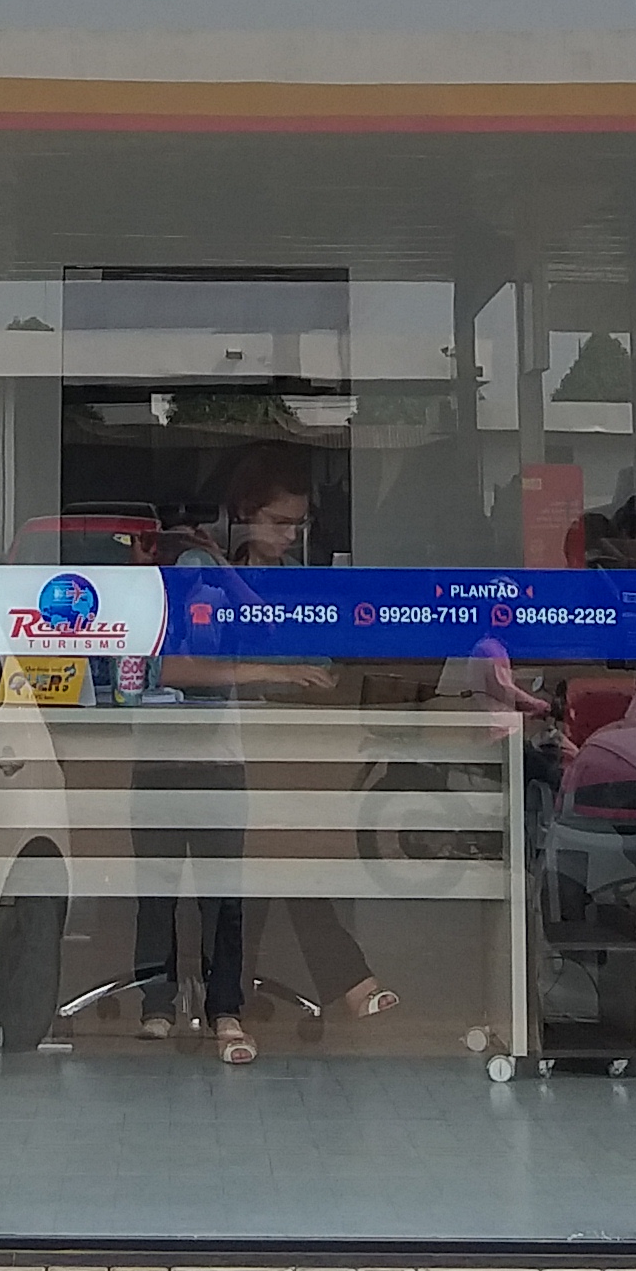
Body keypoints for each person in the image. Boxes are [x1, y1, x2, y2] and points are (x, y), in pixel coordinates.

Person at [133, 443, 392, 1064]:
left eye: (299, 524)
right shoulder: (198, 568)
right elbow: (183, 663)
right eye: (278, 521)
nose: (289, 535)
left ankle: (233, 998)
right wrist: (265, 664)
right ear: (244, 513)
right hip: (201, 748)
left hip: (272, 749)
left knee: (267, 868)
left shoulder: (284, 578)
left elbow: (310, 658)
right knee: (241, 872)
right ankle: (196, 997)